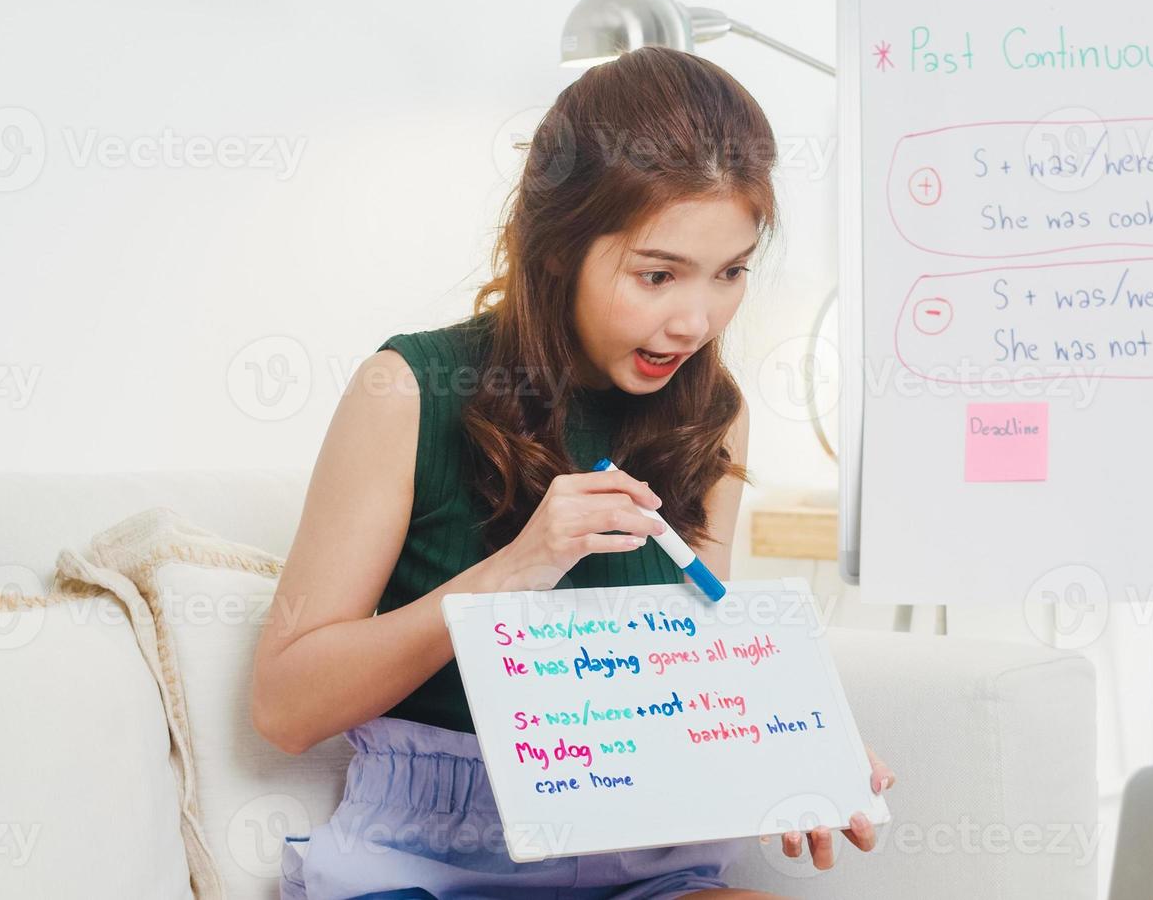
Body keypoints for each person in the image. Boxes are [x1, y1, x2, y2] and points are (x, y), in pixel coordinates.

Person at [252, 45, 894, 899]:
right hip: (427, 858)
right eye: (657, 275)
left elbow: (695, 656)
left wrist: (788, 746)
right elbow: (285, 708)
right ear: (556, 249)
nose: (695, 321)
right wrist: (513, 572)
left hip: (645, 858)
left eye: (732, 272)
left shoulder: (715, 415)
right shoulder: (408, 390)